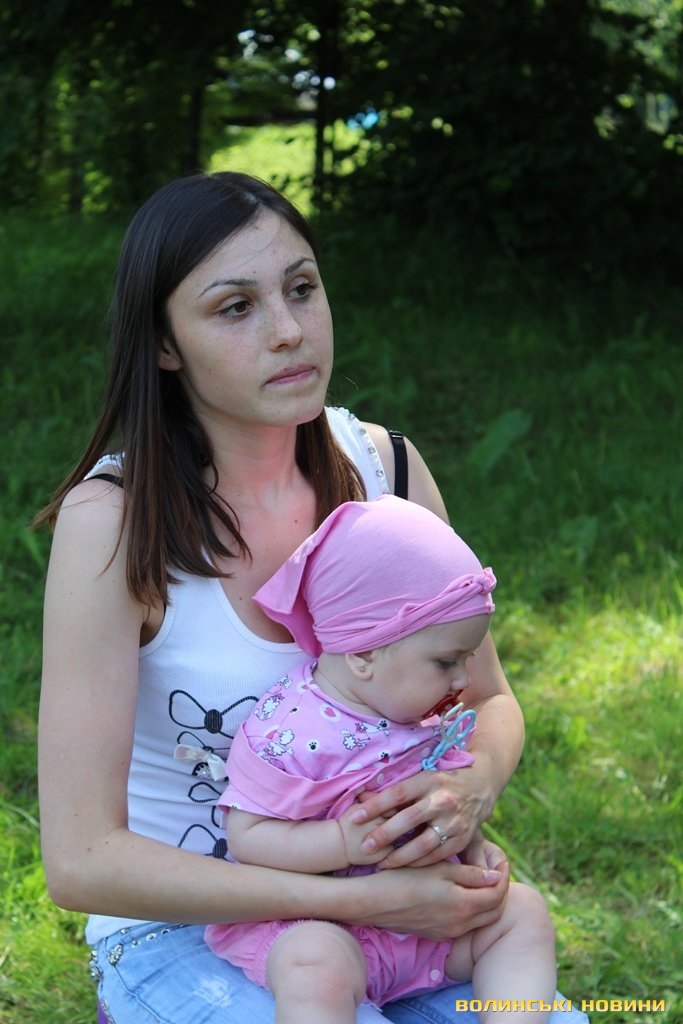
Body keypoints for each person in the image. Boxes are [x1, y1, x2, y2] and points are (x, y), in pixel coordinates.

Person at [35, 170, 586, 1024]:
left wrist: (469, 788)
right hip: (184, 928)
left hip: (405, 910)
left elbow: (487, 699)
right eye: (235, 307)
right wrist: (359, 900)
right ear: (165, 344)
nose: (289, 330)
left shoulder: (386, 471)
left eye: (301, 288)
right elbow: (80, 860)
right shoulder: (113, 522)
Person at [206, 495, 557, 1023]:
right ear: (365, 654)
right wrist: (340, 842)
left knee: (521, 912)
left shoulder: (419, 717)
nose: (463, 679)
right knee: (313, 965)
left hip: (428, 927)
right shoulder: (289, 732)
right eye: (446, 662)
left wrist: (470, 843)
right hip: (324, 923)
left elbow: (440, 806)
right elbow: (247, 837)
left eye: (466, 659)